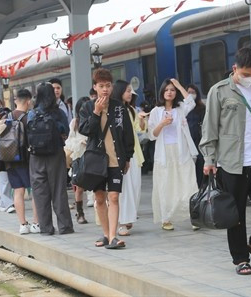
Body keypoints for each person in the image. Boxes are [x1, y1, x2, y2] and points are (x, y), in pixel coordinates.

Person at [200, 47, 251, 276]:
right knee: (236, 213)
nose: (250, 78)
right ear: (235, 69)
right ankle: (241, 259)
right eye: (246, 74)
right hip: (230, 162)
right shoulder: (219, 91)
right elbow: (210, 127)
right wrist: (209, 158)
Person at [79, 70, 134, 249]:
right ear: (95, 87)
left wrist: (128, 157)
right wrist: (96, 112)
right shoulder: (87, 107)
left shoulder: (119, 107)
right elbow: (85, 130)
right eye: (101, 86)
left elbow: (128, 133)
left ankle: (112, 237)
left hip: (116, 159)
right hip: (97, 161)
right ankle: (105, 234)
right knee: (100, 197)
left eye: (108, 86)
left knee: (114, 197)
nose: (105, 89)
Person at [148, 78, 198, 231]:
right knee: (165, 185)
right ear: (162, 92)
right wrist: (162, 123)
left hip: (182, 151)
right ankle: (166, 218)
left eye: (172, 90)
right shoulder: (156, 111)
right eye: (167, 90)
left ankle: (194, 217)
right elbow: (152, 135)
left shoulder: (181, 108)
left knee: (189, 184)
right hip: (164, 154)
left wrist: (179, 85)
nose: (169, 92)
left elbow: (191, 102)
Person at [0, 89, 40, 235]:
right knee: (35, 192)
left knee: (18, 191)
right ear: (29, 101)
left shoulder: (7, 117)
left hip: (10, 159)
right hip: (27, 159)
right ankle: (36, 224)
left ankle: (23, 224)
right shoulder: (30, 117)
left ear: (16, 100)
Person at [28, 83, 74, 236]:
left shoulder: (32, 113)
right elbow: (66, 131)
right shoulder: (58, 112)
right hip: (55, 154)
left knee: (40, 192)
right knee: (59, 190)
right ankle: (65, 226)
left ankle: (46, 228)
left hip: (36, 157)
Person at [112, 81, 146, 237]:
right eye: (127, 91)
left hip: (134, 154)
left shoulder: (131, 110)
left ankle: (128, 218)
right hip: (121, 154)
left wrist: (140, 119)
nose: (130, 94)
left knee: (134, 188)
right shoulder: (114, 110)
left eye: (130, 91)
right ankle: (121, 222)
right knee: (124, 190)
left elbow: (140, 129)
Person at [64, 97, 91, 224]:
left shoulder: (94, 119)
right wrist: (80, 142)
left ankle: (100, 211)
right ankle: (80, 213)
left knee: (97, 187)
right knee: (79, 187)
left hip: (92, 156)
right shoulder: (75, 122)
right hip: (79, 157)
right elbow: (69, 141)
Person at [186, 84, 206, 187]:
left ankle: (200, 186)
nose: (190, 95)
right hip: (187, 141)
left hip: (198, 140)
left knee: (200, 163)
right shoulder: (184, 108)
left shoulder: (202, 108)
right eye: (188, 92)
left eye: (193, 93)